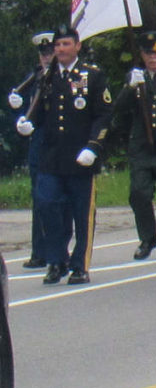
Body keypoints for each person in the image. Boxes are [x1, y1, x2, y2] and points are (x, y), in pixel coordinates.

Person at [16, 25, 112, 286]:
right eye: (58, 45)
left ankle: (80, 266)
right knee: (46, 204)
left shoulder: (92, 76)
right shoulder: (47, 77)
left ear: (77, 46)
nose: (60, 50)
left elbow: (103, 115)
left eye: (65, 44)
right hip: (52, 157)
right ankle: (56, 259)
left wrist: (94, 146)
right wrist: (28, 122)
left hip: (81, 157)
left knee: (82, 214)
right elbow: (40, 108)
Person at [109, 31, 156, 261]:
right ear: (142, 55)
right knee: (139, 193)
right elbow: (118, 108)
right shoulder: (136, 78)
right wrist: (130, 88)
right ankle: (147, 238)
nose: (153, 58)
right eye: (148, 53)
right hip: (142, 148)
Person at [7, 31, 69, 270]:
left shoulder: (61, 78)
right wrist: (17, 112)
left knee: (60, 202)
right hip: (38, 147)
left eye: (50, 51)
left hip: (59, 146)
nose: (46, 57)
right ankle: (39, 252)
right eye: (43, 53)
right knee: (40, 200)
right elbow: (25, 114)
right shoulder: (33, 78)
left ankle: (60, 249)